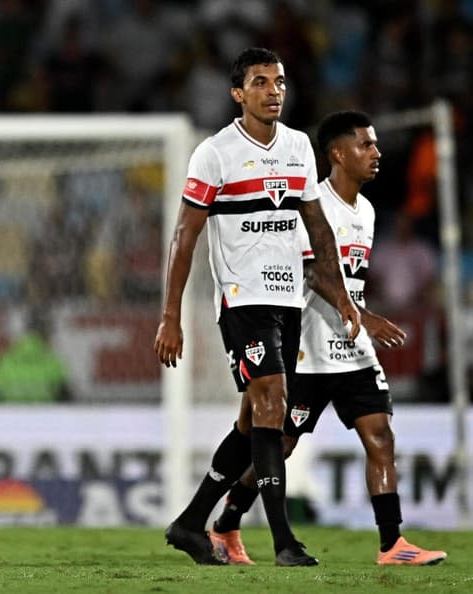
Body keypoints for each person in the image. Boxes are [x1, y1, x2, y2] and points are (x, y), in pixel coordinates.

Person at [209, 111, 447, 566]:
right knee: (278, 447)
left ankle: (392, 544)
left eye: (376, 145)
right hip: (307, 349)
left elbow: (349, 277)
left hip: (352, 348)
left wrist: (357, 315)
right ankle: (224, 524)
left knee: (380, 435)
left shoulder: (369, 211)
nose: (376, 154)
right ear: (337, 154)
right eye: (366, 145)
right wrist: (359, 312)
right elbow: (314, 271)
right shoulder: (310, 203)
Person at [153, 47, 360, 567]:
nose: (274, 91)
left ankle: (188, 523)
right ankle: (284, 541)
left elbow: (317, 229)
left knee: (253, 421)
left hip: (288, 300)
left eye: (280, 82)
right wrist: (170, 316)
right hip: (242, 301)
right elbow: (185, 237)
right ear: (238, 94)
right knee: (273, 402)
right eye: (261, 82)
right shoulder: (215, 153)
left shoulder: (298, 149)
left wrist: (343, 298)